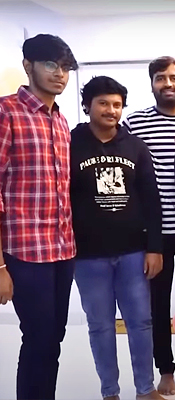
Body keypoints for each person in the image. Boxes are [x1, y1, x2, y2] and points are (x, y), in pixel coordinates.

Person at [69, 76, 165, 400]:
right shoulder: (70, 144)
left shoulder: (136, 147)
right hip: (87, 256)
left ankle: (145, 389)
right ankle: (109, 391)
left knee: (141, 322)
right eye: (103, 103)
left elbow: (152, 200)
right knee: (101, 326)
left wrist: (155, 248)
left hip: (133, 254)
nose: (111, 110)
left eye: (117, 104)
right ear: (87, 106)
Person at [0, 34, 78, 400]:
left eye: (64, 67)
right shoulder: (7, 112)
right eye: (51, 65)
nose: (59, 74)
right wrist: (0, 267)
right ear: (28, 66)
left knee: (53, 338)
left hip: (63, 249)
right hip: (25, 251)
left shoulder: (61, 120)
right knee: (38, 337)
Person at [124, 56, 175, 394]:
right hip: (154, 232)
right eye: (160, 78)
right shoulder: (135, 122)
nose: (168, 83)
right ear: (152, 83)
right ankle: (165, 369)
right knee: (157, 303)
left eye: (174, 77)